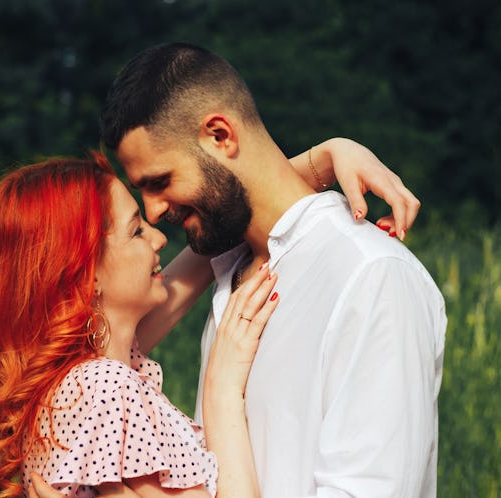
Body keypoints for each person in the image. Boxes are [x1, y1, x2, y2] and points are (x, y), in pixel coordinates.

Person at [0, 142, 423, 497]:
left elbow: (213, 243)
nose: (157, 239)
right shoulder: (102, 389)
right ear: (83, 275)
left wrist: (325, 158)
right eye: (135, 231)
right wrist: (221, 389)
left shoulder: (80, 377)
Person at [94, 42, 446, 497]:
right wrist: (320, 158)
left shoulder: (371, 276)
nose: (154, 212)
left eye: (160, 183)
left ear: (221, 135)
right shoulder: (228, 267)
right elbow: (91, 344)